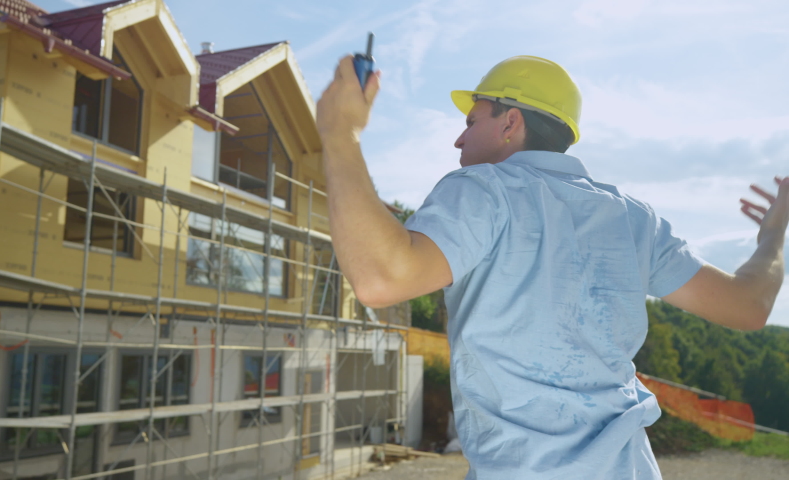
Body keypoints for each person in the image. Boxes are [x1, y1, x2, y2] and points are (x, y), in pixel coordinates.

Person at [316, 54, 788, 479]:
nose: (459, 137)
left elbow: (381, 277)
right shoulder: (631, 218)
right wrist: (773, 235)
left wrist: (340, 134)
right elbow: (747, 306)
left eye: (472, 119)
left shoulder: (482, 190)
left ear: (511, 122)